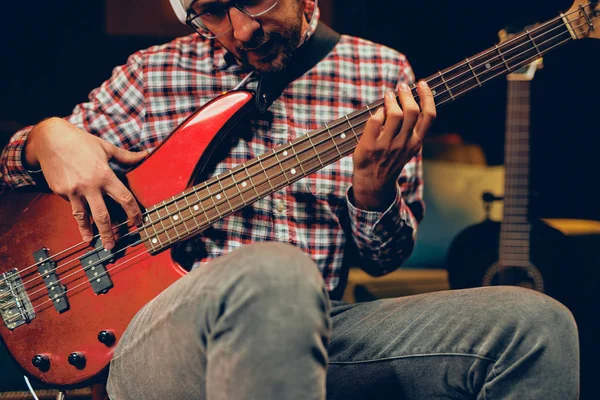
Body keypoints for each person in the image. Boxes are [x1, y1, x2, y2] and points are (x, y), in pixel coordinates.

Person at [0, 0, 579, 398]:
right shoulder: (153, 76)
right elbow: (17, 175)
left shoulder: (381, 72)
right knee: (273, 272)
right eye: (212, 11)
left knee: (534, 325)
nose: (242, 28)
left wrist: (374, 188)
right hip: (161, 341)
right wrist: (42, 140)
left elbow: (384, 260)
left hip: (320, 330)